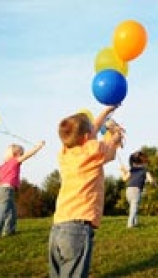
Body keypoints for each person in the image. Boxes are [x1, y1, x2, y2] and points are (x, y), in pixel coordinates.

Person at [49, 106, 123, 278]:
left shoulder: (64, 153)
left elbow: (91, 130)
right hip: (77, 228)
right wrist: (116, 136)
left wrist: (105, 112)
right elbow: (110, 153)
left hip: (58, 227)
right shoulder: (93, 150)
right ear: (86, 137)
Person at [0, 141, 45, 236]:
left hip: (5, 190)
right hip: (6, 190)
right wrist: (38, 147)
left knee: (12, 211)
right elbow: (28, 155)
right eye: (21, 153)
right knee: (4, 210)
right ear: (15, 154)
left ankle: (8, 231)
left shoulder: (3, 166)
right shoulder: (14, 161)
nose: (22, 155)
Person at [121, 151, 154, 228]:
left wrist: (122, 171)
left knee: (133, 207)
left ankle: (135, 223)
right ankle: (129, 225)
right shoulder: (145, 170)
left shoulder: (132, 170)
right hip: (136, 190)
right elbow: (151, 180)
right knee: (134, 208)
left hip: (128, 190)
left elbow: (124, 179)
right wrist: (154, 183)